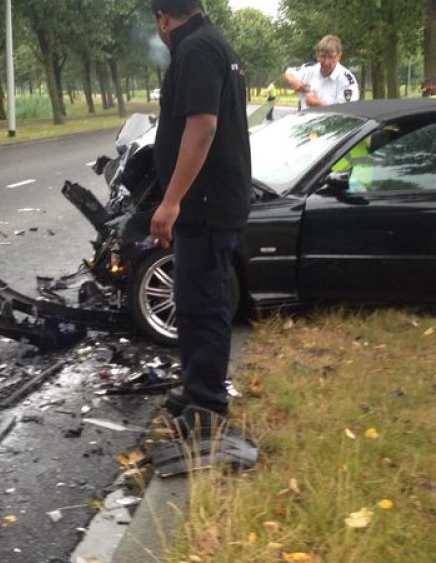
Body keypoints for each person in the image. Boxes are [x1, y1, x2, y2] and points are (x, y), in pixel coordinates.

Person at [148, 0, 251, 432]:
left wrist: (171, 201)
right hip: (208, 205)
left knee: (205, 305)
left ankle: (208, 408)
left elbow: (203, 126)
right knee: (190, 302)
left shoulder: (195, 51)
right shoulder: (215, 45)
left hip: (205, 206)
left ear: (163, 20)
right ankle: (195, 389)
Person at [283, 35, 358, 110]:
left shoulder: (346, 81)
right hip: (304, 120)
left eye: (331, 57)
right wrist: (293, 81)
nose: (326, 62)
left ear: (339, 56)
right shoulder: (310, 69)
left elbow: (346, 112)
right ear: (317, 55)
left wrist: (318, 104)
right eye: (323, 56)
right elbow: (288, 73)